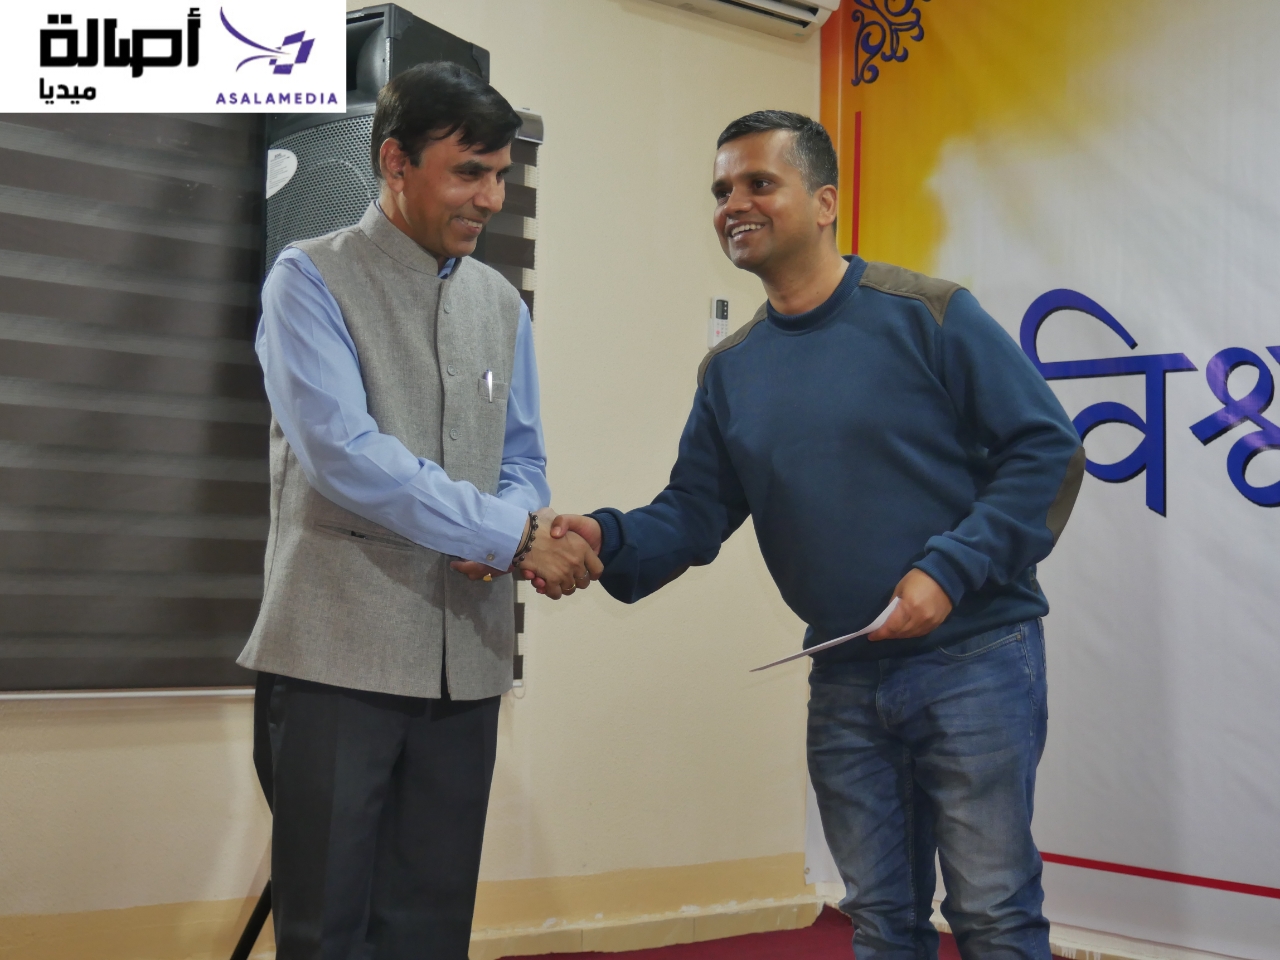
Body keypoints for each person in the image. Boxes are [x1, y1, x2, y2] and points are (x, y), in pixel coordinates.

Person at [541, 111, 1085, 960]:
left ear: (826, 202)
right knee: (880, 921)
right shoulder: (730, 370)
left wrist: (948, 571)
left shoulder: (930, 313)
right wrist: (605, 539)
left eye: (760, 183)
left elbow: (1047, 451)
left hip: (975, 658)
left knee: (992, 914)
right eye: (722, 189)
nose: (734, 204)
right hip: (844, 673)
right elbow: (694, 510)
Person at [237, 63, 600, 960]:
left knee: (432, 930)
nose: (492, 199)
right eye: (469, 172)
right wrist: (508, 534)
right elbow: (343, 455)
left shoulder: (500, 303)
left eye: (502, 175)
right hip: (335, 659)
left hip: (464, 667)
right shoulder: (309, 279)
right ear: (395, 161)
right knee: (326, 928)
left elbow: (523, 459)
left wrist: (509, 526)